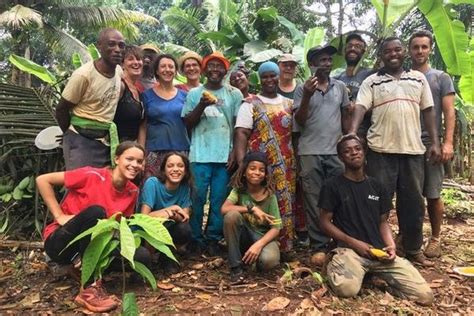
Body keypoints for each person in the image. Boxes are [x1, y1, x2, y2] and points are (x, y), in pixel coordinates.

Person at [349, 37, 441, 266]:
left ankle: (412, 249)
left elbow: (429, 111)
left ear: (404, 53)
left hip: (412, 150)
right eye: (387, 51)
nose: (393, 54)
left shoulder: (418, 79)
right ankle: (376, 249)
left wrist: (435, 142)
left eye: (397, 50)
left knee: (413, 203)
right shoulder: (372, 82)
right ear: (381, 55)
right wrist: (351, 132)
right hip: (381, 150)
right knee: (377, 202)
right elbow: (360, 107)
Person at [319, 135, 434, 305]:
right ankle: (339, 265)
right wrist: (353, 243)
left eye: (357, 149)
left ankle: (376, 280)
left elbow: (383, 222)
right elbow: (324, 222)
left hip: (378, 253)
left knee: (425, 296)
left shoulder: (377, 186)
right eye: (347, 151)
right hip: (349, 251)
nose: (354, 153)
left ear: (364, 152)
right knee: (347, 290)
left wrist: (391, 246)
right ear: (341, 157)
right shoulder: (332, 185)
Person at [37, 141, 149, 313]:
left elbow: (117, 226)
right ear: (117, 158)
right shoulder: (92, 175)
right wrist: (59, 215)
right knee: (97, 212)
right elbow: (43, 180)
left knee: (141, 255)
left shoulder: (132, 191)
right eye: (129, 159)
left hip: (94, 245)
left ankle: (83, 266)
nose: (135, 165)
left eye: (139, 161)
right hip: (61, 242)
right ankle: (88, 289)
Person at [182, 51, 243, 256]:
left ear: (226, 70)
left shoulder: (234, 94)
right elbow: (188, 123)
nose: (215, 69)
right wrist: (202, 104)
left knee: (218, 200)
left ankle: (213, 239)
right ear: (204, 69)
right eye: (211, 65)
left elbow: (238, 126)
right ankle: (195, 238)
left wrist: (235, 151)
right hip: (199, 154)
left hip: (224, 156)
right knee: (197, 198)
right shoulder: (194, 94)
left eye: (220, 66)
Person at [293, 44, 351, 261]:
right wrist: (307, 95)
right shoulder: (302, 89)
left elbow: (345, 116)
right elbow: (299, 120)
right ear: (311, 64)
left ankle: (342, 241)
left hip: (335, 151)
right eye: (321, 60)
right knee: (314, 199)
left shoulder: (340, 88)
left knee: (341, 198)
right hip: (310, 152)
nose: (326, 64)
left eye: (329, 60)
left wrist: (349, 139)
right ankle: (319, 244)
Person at [234, 61, 296, 252]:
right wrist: (242, 164)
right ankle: (253, 244)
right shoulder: (250, 104)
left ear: (279, 77)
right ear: (260, 79)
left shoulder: (289, 104)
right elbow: (242, 133)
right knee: (258, 200)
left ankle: (284, 247)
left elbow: (295, 135)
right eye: (265, 76)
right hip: (259, 165)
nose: (269, 80)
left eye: (273, 76)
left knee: (285, 203)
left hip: (286, 164)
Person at [409, 30, 456, 258]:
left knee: (433, 193)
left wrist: (447, 142)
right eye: (415, 47)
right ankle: (409, 236)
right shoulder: (404, 75)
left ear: (430, 49)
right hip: (407, 143)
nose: (419, 51)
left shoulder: (440, 77)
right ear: (409, 50)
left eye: (424, 47)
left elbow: (449, 112)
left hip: (432, 144)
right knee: (410, 194)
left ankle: (435, 237)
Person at [56, 28, 125, 170]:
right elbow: (62, 109)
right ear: (99, 45)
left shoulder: (118, 71)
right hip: (80, 140)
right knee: (79, 187)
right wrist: (70, 135)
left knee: (101, 188)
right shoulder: (84, 75)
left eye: (121, 45)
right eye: (111, 44)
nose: (117, 49)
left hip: (105, 141)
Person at [221, 151, 281, 282]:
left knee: (269, 261)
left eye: (261, 170)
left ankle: (252, 260)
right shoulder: (239, 190)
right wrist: (251, 208)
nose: (257, 172)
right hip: (244, 234)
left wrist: (258, 245)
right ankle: (235, 267)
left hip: (261, 237)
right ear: (244, 171)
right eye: (252, 168)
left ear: (265, 175)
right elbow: (224, 209)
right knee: (231, 216)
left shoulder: (270, 196)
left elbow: (276, 228)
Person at [140, 152, 193, 274]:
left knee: (184, 230)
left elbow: (185, 217)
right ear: (164, 169)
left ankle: (167, 257)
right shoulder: (152, 183)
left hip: (170, 230)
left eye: (180, 166)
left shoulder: (184, 186)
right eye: (170, 166)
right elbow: (143, 218)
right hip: (148, 231)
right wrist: (171, 210)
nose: (175, 169)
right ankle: (149, 261)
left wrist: (171, 214)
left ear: (185, 171)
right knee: (154, 225)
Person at [140, 54, 190, 179]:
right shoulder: (146, 95)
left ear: (175, 70)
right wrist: (140, 153)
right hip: (153, 152)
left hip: (180, 150)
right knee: (151, 187)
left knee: (179, 189)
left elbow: (191, 123)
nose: (167, 70)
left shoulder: (185, 96)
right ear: (157, 70)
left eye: (171, 67)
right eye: (163, 66)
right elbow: (143, 126)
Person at [334, 33, 374, 140]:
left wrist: (357, 107)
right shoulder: (336, 79)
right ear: (344, 51)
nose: (353, 49)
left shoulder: (371, 74)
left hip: (365, 133)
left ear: (364, 51)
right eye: (350, 46)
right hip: (340, 134)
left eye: (357, 46)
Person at [114, 45, 144, 143]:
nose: (136, 62)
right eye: (130, 59)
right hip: (113, 147)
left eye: (139, 59)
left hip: (130, 148)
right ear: (122, 64)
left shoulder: (139, 92)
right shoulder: (119, 85)